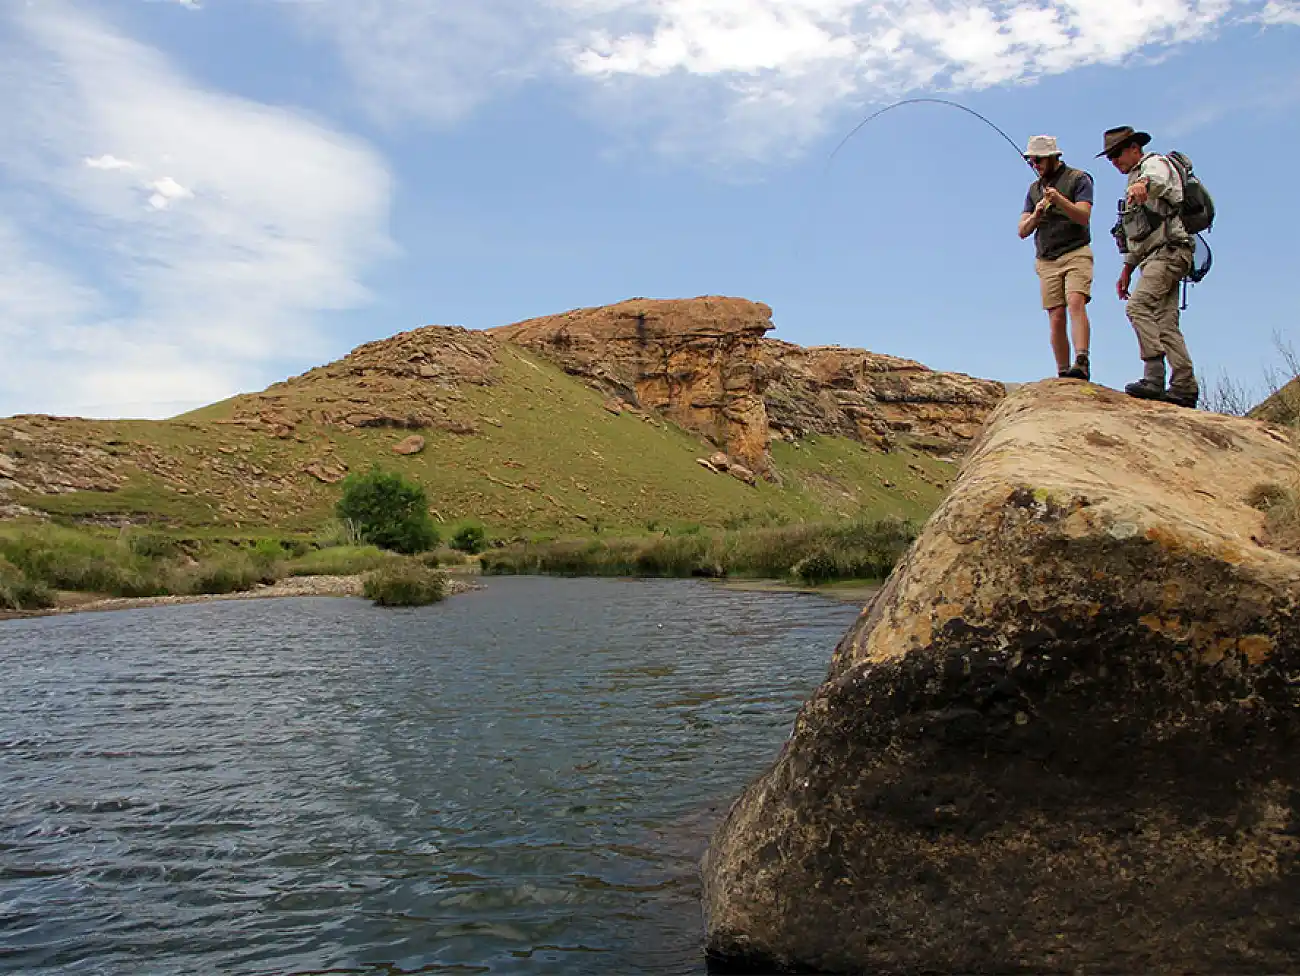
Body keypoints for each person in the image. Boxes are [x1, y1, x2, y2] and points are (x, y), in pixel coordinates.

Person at [1099, 125, 1199, 408]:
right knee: (1166, 323)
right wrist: (1126, 270)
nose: (1114, 161)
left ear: (1134, 148)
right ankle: (1184, 387)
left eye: (1117, 154)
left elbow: (1158, 180)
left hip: (1168, 253)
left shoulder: (1154, 164)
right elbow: (1139, 233)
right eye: (1110, 157)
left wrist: (1143, 184)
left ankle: (1154, 376)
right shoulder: (1134, 179)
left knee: (1138, 307)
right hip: (1158, 256)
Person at [1018, 135, 1095, 381]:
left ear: (1053, 157)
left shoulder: (1079, 179)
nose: (1036, 165)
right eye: (1032, 161)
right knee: (1056, 314)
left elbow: (1083, 216)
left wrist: (1059, 200)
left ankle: (1081, 361)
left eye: (1039, 160)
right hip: (1047, 259)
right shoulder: (1034, 190)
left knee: (1075, 301)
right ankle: (1063, 371)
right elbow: (1022, 230)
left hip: (1075, 252)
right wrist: (1036, 214)